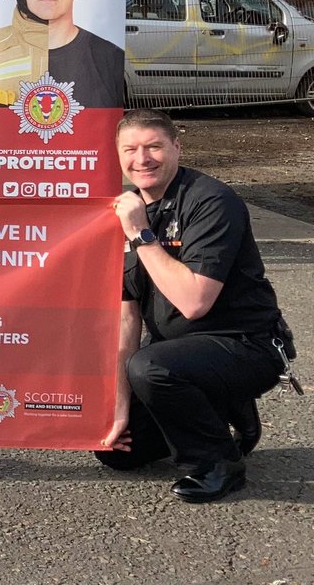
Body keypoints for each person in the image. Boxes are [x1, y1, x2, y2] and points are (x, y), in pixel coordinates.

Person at [98, 109, 288, 503]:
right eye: (130, 149)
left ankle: (217, 464)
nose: (142, 159)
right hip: (179, 353)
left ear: (177, 148)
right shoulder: (127, 208)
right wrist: (117, 410)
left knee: (151, 368)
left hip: (246, 344)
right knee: (118, 452)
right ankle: (222, 409)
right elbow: (126, 317)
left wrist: (139, 233)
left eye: (154, 146)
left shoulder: (212, 202)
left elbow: (194, 302)